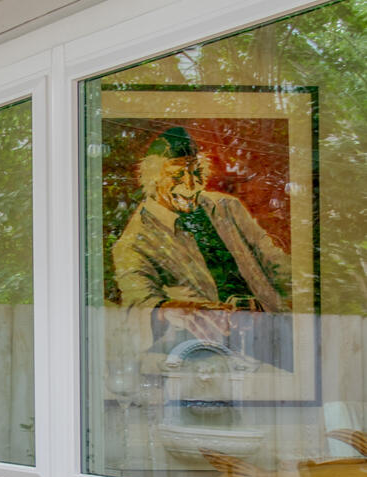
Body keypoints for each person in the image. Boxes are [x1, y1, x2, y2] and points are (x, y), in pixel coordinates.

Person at [112, 126, 290, 330]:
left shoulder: (227, 207)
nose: (191, 184)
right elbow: (137, 305)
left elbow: (274, 261)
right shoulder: (136, 238)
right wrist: (172, 309)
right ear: (153, 179)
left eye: (195, 172)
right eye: (177, 175)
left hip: (270, 328)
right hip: (203, 344)